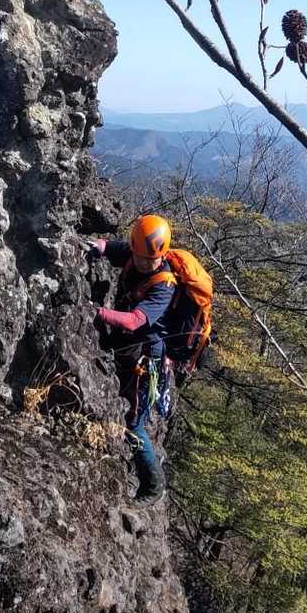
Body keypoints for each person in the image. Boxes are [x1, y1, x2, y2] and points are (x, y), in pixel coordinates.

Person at [89, 214, 178, 500]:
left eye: (148, 260)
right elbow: (109, 247)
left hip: (146, 359)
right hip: (128, 348)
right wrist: (95, 247)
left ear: (161, 255)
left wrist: (98, 312)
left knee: (134, 422)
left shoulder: (164, 286)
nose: (141, 263)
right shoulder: (136, 250)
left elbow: (134, 321)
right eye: (138, 257)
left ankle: (153, 485)